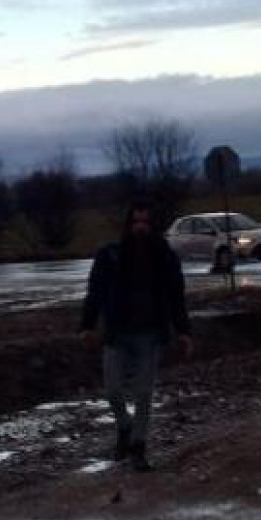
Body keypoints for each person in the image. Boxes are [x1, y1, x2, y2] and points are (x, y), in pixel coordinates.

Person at [80, 202, 192, 472]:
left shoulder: (163, 256)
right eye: (136, 222)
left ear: (152, 227)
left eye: (145, 222)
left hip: (150, 333)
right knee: (113, 390)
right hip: (117, 333)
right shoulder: (110, 256)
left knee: (144, 393)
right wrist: (87, 325)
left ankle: (138, 447)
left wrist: (184, 331)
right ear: (128, 226)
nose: (140, 228)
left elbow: (177, 296)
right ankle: (124, 426)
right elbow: (95, 292)